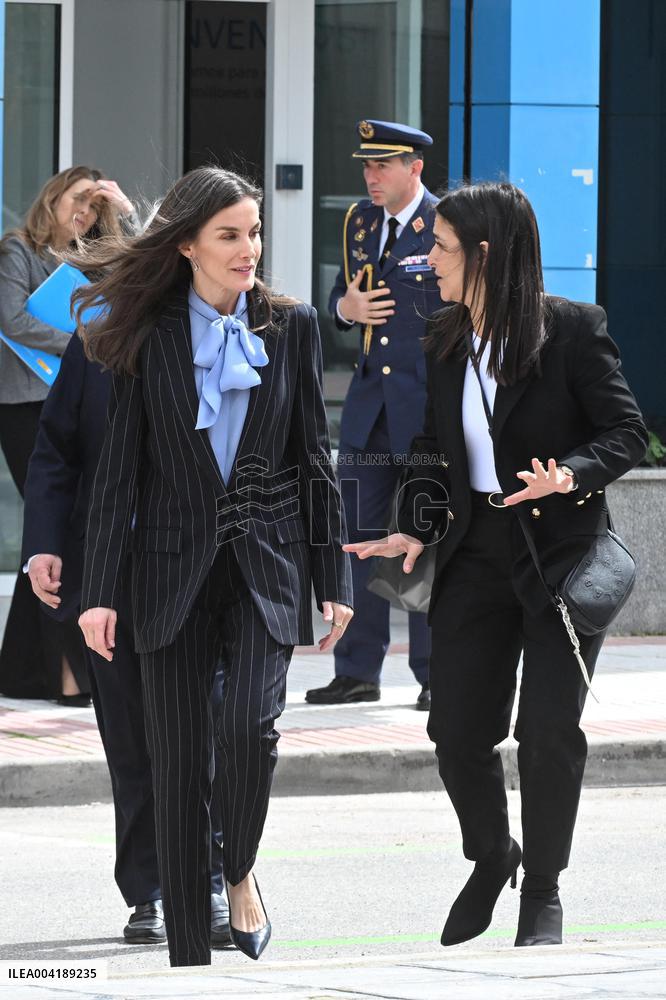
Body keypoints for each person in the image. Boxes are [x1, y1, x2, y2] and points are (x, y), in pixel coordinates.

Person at [344, 182, 647, 947]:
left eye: (440, 247)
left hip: (559, 555)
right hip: (474, 552)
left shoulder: (572, 331)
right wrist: (414, 526)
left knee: (546, 731)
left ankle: (541, 891)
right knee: (456, 729)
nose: (425, 259)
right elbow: (430, 448)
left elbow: (627, 432)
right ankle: (491, 855)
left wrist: (570, 473)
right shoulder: (444, 336)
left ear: (483, 254)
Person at [73, 166, 353, 967]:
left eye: (255, 232)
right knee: (179, 746)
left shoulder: (289, 326)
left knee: (249, 731)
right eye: (230, 234)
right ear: (188, 243)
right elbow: (117, 472)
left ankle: (239, 871)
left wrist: (330, 580)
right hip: (167, 570)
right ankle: (190, 942)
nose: (248, 248)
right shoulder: (147, 332)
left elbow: (314, 460)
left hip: (263, 566)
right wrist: (99, 593)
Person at [22, 331, 231, 947]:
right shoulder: (94, 344)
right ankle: (151, 891)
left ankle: (212, 878)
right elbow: (55, 451)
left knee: (203, 731)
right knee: (131, 735)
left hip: (199, 573)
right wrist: (43, 544)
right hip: (107, 576)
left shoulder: (224, 341)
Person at [306, 119, 442, 711]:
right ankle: (357, 669)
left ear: (415, 168)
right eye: (367, 165)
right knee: (357, 538)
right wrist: (345, 306)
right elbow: (346, 299)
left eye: (383, 165)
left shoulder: (446, 224)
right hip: (369, 408)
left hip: (426, 408)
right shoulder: (361, 222)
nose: (371, 176)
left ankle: (437, 675)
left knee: (428, 537)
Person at [0, 166, 135, 702]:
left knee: (52, 538)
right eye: (79, 200)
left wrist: (123, 213)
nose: (85, 212)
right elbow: (11, 319)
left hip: (70, 405)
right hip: (25, 407)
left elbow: (145, 272)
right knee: (49, 525)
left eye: (95, 208)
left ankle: (28, 670)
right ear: (53, 196)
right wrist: (82, 342)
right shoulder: (19, 249)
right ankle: (62, 674)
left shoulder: (93, 257)